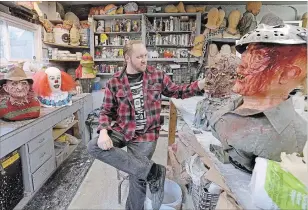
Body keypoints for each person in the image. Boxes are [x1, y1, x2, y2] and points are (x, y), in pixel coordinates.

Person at [87, 40, 206, 210]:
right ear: (127, 58)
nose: (145, 60)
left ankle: (143, 180)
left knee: (138, 176)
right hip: (124, 129)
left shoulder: (156, 76)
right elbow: (106, 111)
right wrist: (104, 132)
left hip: (146, 134)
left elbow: (177, 91)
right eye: (140, 56)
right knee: (93, 146)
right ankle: (153, 171)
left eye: (145, 55)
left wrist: (199, 85)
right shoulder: (114, 82)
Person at [210, 23, 307, 173]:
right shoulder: (234, 104)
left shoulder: (295, 139)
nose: (240, 66)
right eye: (246, 54)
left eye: (258, 57)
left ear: (288, 74)